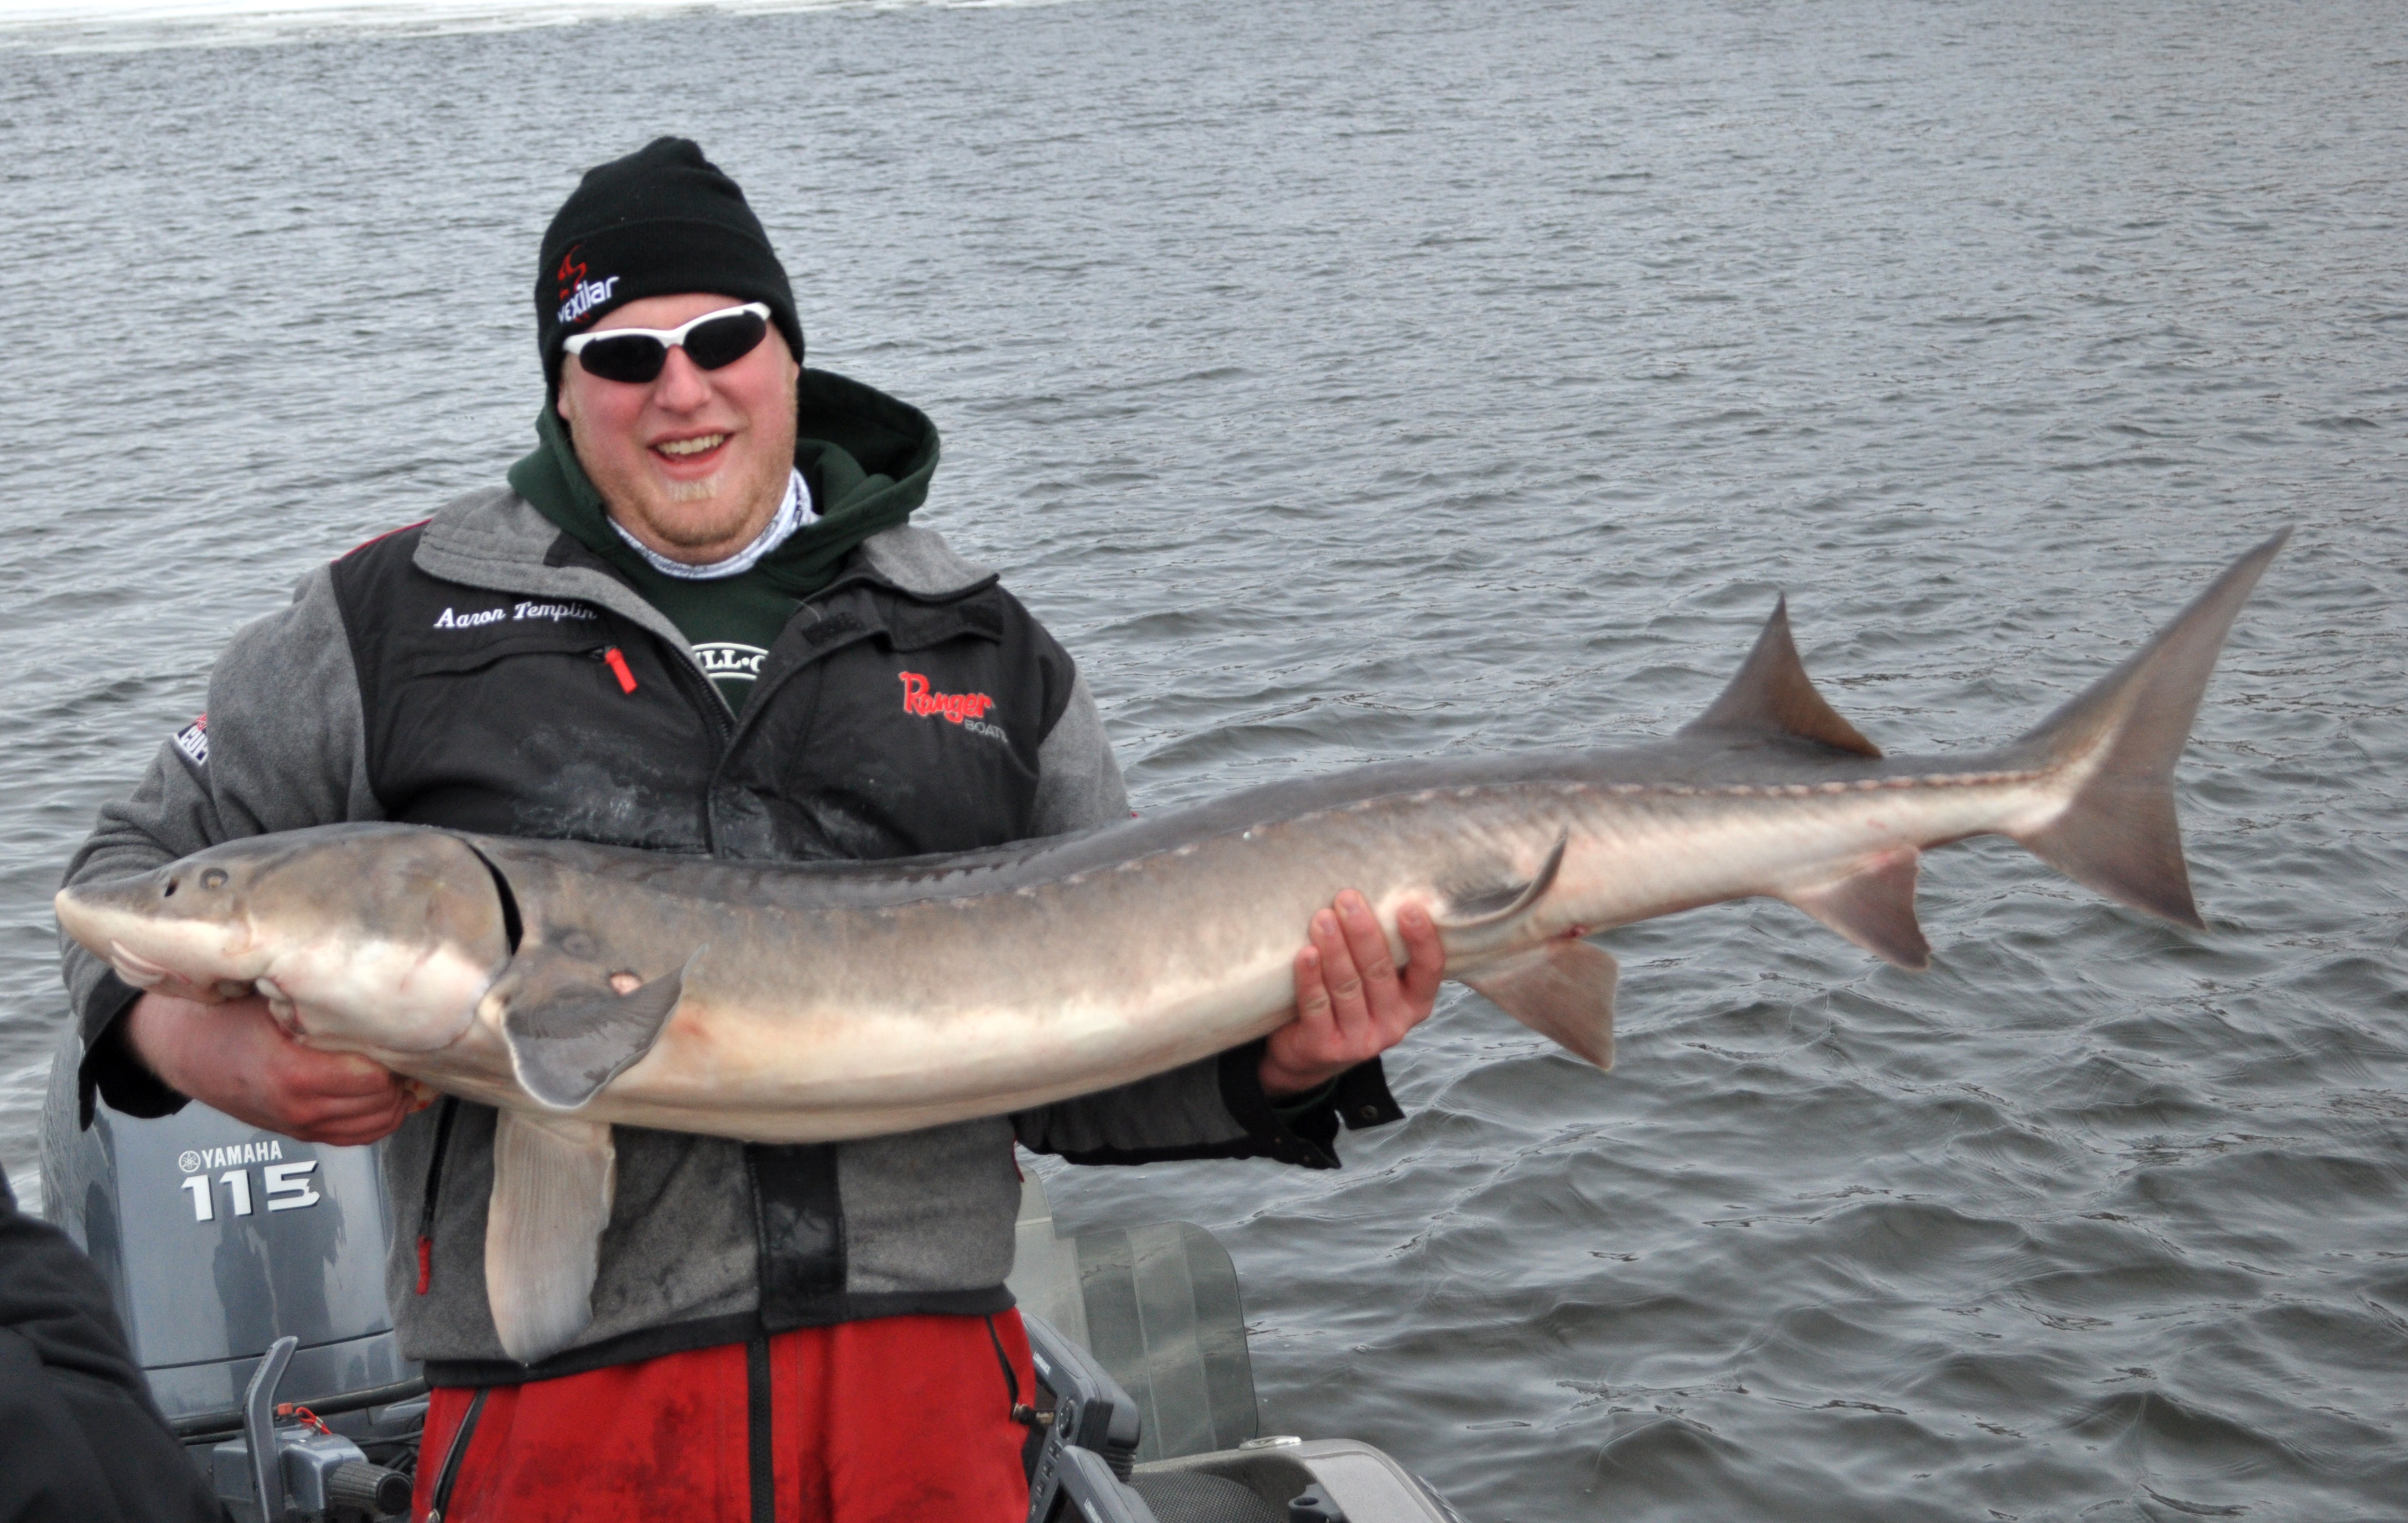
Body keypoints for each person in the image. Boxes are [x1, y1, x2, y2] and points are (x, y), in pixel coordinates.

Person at [58, 138, 1444, 1523]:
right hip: (563, 1431)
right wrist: (194, 1045)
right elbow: (118, 880)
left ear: (786, 352)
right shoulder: (389, 621)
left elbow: (1078, 1064)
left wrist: (1280, 1064)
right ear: (562, 387)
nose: (682, 389)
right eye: (622, 356)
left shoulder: (981, 642)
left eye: (722, 338)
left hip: (927, 1414)